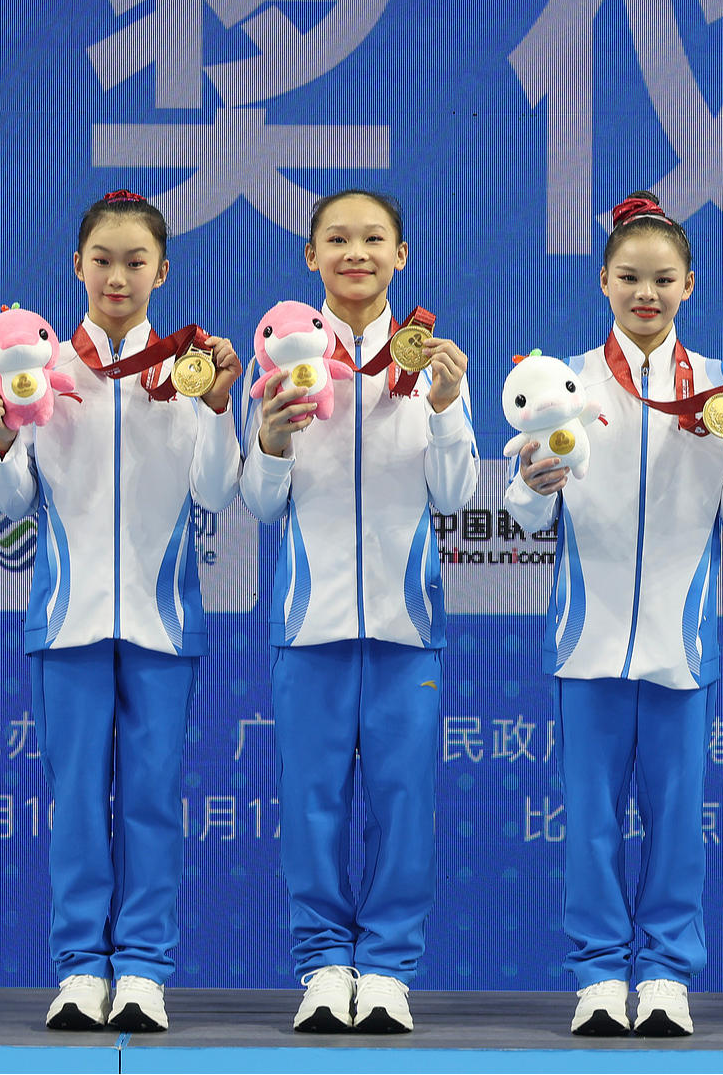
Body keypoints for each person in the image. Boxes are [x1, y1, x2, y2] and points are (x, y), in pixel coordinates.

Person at [506, 191, 723, 1038]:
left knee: (675, 825)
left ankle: (664, 974)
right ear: (603, 281)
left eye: (664, 279)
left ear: (690, 285)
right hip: (585, 643)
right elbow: (522, 515)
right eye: (630, 277)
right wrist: (531, 483)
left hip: (680, 644)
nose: (646, 294)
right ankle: (596, 974)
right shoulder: (562, 384)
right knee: (590, 822)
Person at [0, 191, 244, 1032]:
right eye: (103, 260)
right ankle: (82, 968)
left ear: (163, 271)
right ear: (77, 267)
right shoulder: (39, 364)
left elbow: (217, 490)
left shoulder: (187, 366)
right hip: (68, 622)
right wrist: (2, 435)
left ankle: (146, 970)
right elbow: (12, 503)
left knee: (154, 800)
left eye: (136, 262)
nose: (118, 276)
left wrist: (217, 403)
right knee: (79, 801)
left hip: (164, 625)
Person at [241, 189, 476, 1034]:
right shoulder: (277, 358)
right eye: (336, 239)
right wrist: (268, 439)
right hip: (311, 622)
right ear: (311, 257)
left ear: (400, 255)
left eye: (373, 238)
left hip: (408, 622)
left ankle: (385, 969)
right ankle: (319, 967)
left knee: (404, 800)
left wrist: (446, 405)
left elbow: (454, 490)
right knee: (312, 804)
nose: (355, 253)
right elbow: (261, 505)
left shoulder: (434, 364)